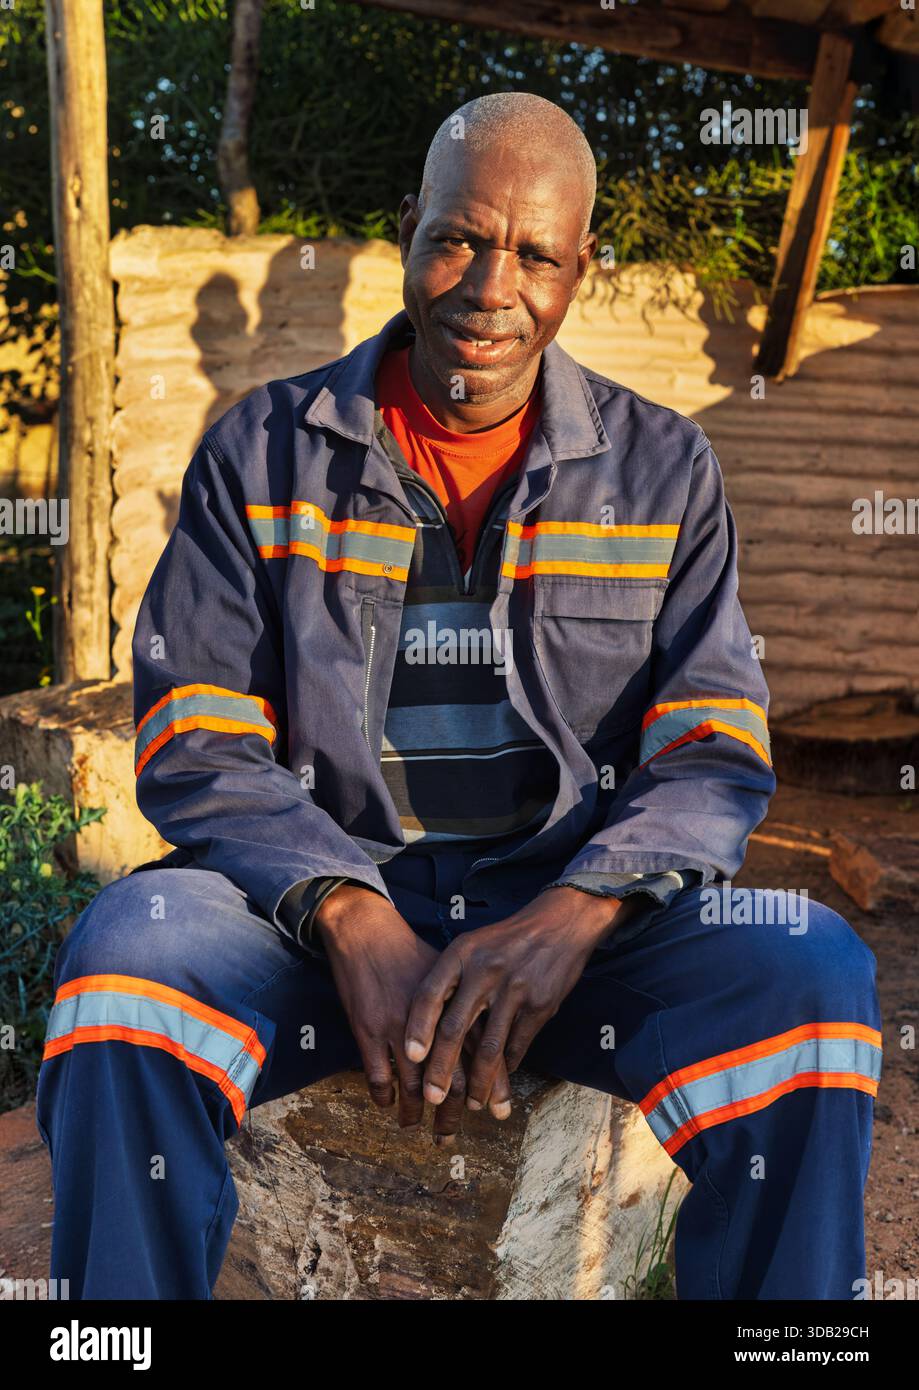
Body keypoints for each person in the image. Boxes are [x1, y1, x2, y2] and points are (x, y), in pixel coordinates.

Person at [36, 92, 880, 1300]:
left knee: (810, 972)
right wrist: (342, 908)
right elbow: (197, 730)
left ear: (578, 271)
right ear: (407, 233)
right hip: (315, 928)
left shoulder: (660, 471)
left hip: (576, 934)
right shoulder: (262, 450)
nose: (491, 286)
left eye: (535, 253)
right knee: (124, 964)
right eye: (459, 238)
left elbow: (710, 745)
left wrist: (575, 911)